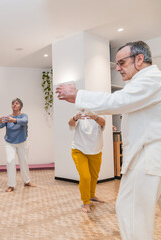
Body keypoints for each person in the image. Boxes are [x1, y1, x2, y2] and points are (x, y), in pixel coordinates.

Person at [56, 41, 161, 239]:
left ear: (139, 59)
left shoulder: (152, 79)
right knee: (135, 210)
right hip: (148, 156)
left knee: (132, 211)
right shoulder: (144, 82)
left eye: (122, 62)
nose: (118, 68)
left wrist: (78, 95)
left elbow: (117, 102)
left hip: (148, 158)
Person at [0, 98, 36, 192]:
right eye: (13, 103)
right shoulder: (7, 117)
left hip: (22, 142)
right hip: (10, 143)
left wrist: (13, 120)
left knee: (24, 162)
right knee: (10, 162)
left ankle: (27, 181)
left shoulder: (23, 116)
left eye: (17, 103)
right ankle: (11, 185)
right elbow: (0, 126)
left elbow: (24, 121)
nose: (14, 105)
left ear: (20, 106)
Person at [69, 112, 105, 213]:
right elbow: (70, 123)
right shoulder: (80, 112)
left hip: (96, 150)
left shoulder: (100, 110)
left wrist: (95, 117)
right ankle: (86, 202)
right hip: (79, 150)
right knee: (85, 177)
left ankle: (92, 195)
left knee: (94, 176)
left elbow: (103, 123)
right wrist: (75, 117)